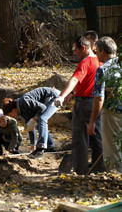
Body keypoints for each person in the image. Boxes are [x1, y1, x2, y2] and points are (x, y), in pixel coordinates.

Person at [54, 36, 104, 175]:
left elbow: (75, 79)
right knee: (97, 137)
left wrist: (62, 96)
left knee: (80, 139)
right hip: (97, 103)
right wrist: (71, 94)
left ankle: (80, 171)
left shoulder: (85, 62)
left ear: (83, 47)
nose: (74, 53)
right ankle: (99, 170)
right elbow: (86, 82)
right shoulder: (99, 61)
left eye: (75, 50)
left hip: (84, 105)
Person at [87, 37, 122, 173]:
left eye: (97, 52)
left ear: (102, 51)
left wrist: (92, 121)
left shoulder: (103, 70)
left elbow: (99, 99)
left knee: (112, 150)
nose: (96, 55)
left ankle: (115, 178)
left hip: (112, 113)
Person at [2, 87, 60, 159]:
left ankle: (40, 149)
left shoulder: (24, 102)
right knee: (39, 122)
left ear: (13, 109)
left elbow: (42, 107)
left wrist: (34, 119)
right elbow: (30, 127)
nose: (12, 117)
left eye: (10, 115)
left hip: (54, 96)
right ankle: (50, 147)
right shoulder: (22, 112)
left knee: (42, 119)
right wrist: (33, 145)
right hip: (46, 101)